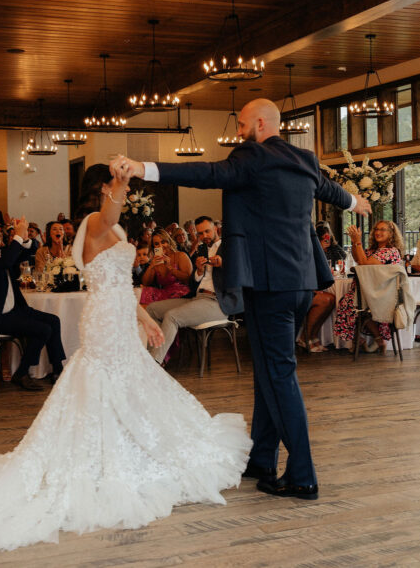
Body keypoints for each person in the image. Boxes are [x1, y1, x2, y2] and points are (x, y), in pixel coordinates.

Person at [0, 163, 250, 552]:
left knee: (129, 382)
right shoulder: (96, 221)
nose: (126, 194)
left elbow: (122, 283)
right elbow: (110, 213)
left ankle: (132, 444)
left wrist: (144, 317)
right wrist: (123, 177)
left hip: (119, 316)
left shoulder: (115, 228)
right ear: (103, 188)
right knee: (103, 382)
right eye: (118, 187)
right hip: (103, 322)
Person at [114, 97, 370, 501]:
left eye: (243, 124)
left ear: (262, 124)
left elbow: (205, 172)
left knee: (279, 373)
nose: (238, 131)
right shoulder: (303, 159)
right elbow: (332, 190)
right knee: (268, 371)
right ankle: (262, 459)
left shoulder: (252, 155)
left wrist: (144, 169)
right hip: (302, 282)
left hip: (268, 284)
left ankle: (302, 474)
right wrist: (358, 203)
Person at [0, 219, 65, 390]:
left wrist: (25, 238)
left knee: (53, 320)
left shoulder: (2, 253)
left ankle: (58, 369)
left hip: (15, 310)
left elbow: (29, 253)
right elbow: (5, 263)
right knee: (43, 329)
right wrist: (18, 236)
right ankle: (21, 373)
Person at [146, 215, 229, 363]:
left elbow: (244, 272)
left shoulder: (230, 248)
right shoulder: (202, 248)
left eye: (207, 232)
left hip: (218, 302)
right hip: (197, 298)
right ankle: (161, 356)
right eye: (200, 234)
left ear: (216, 229)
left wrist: (223, 264)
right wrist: (197, 271)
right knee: (151, 310)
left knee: (172, 316)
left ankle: (152, 364)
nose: (204, 236)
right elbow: (192, 283)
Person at [333, 221, 405, 351]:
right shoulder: (374, 250)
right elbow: (357, 258)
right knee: (349, 302)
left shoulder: (390, 251)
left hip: (381, 295)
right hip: (369, 293)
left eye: (383, 230)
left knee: (350, 304)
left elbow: (364, 264)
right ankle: (370, 340)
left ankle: (360, 340)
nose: (378, 232)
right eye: (376, 229)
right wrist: (355, 242)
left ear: (391, 234)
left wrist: (358, 241)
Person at [298, 223, 346, 352]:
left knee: (331, 299)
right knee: (325, 301)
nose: (327, 240)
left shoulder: (333, 248)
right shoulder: (308, 249)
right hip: (302, 290)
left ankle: (313, 336)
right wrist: (319, 249)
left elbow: (343, 257)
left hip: (313, 287)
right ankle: (304, 338)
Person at [138, 230, 192, 305]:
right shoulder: (156, 261)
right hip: (164, 293)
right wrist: (151, 266)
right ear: (154, 247)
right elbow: (145, 283)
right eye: (157, 244)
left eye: (163, 242)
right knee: (139, 292)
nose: (161, 246)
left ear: (169, 242)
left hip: (181, 293)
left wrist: (170, 268)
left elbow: (188, 279)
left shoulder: (180, 255)